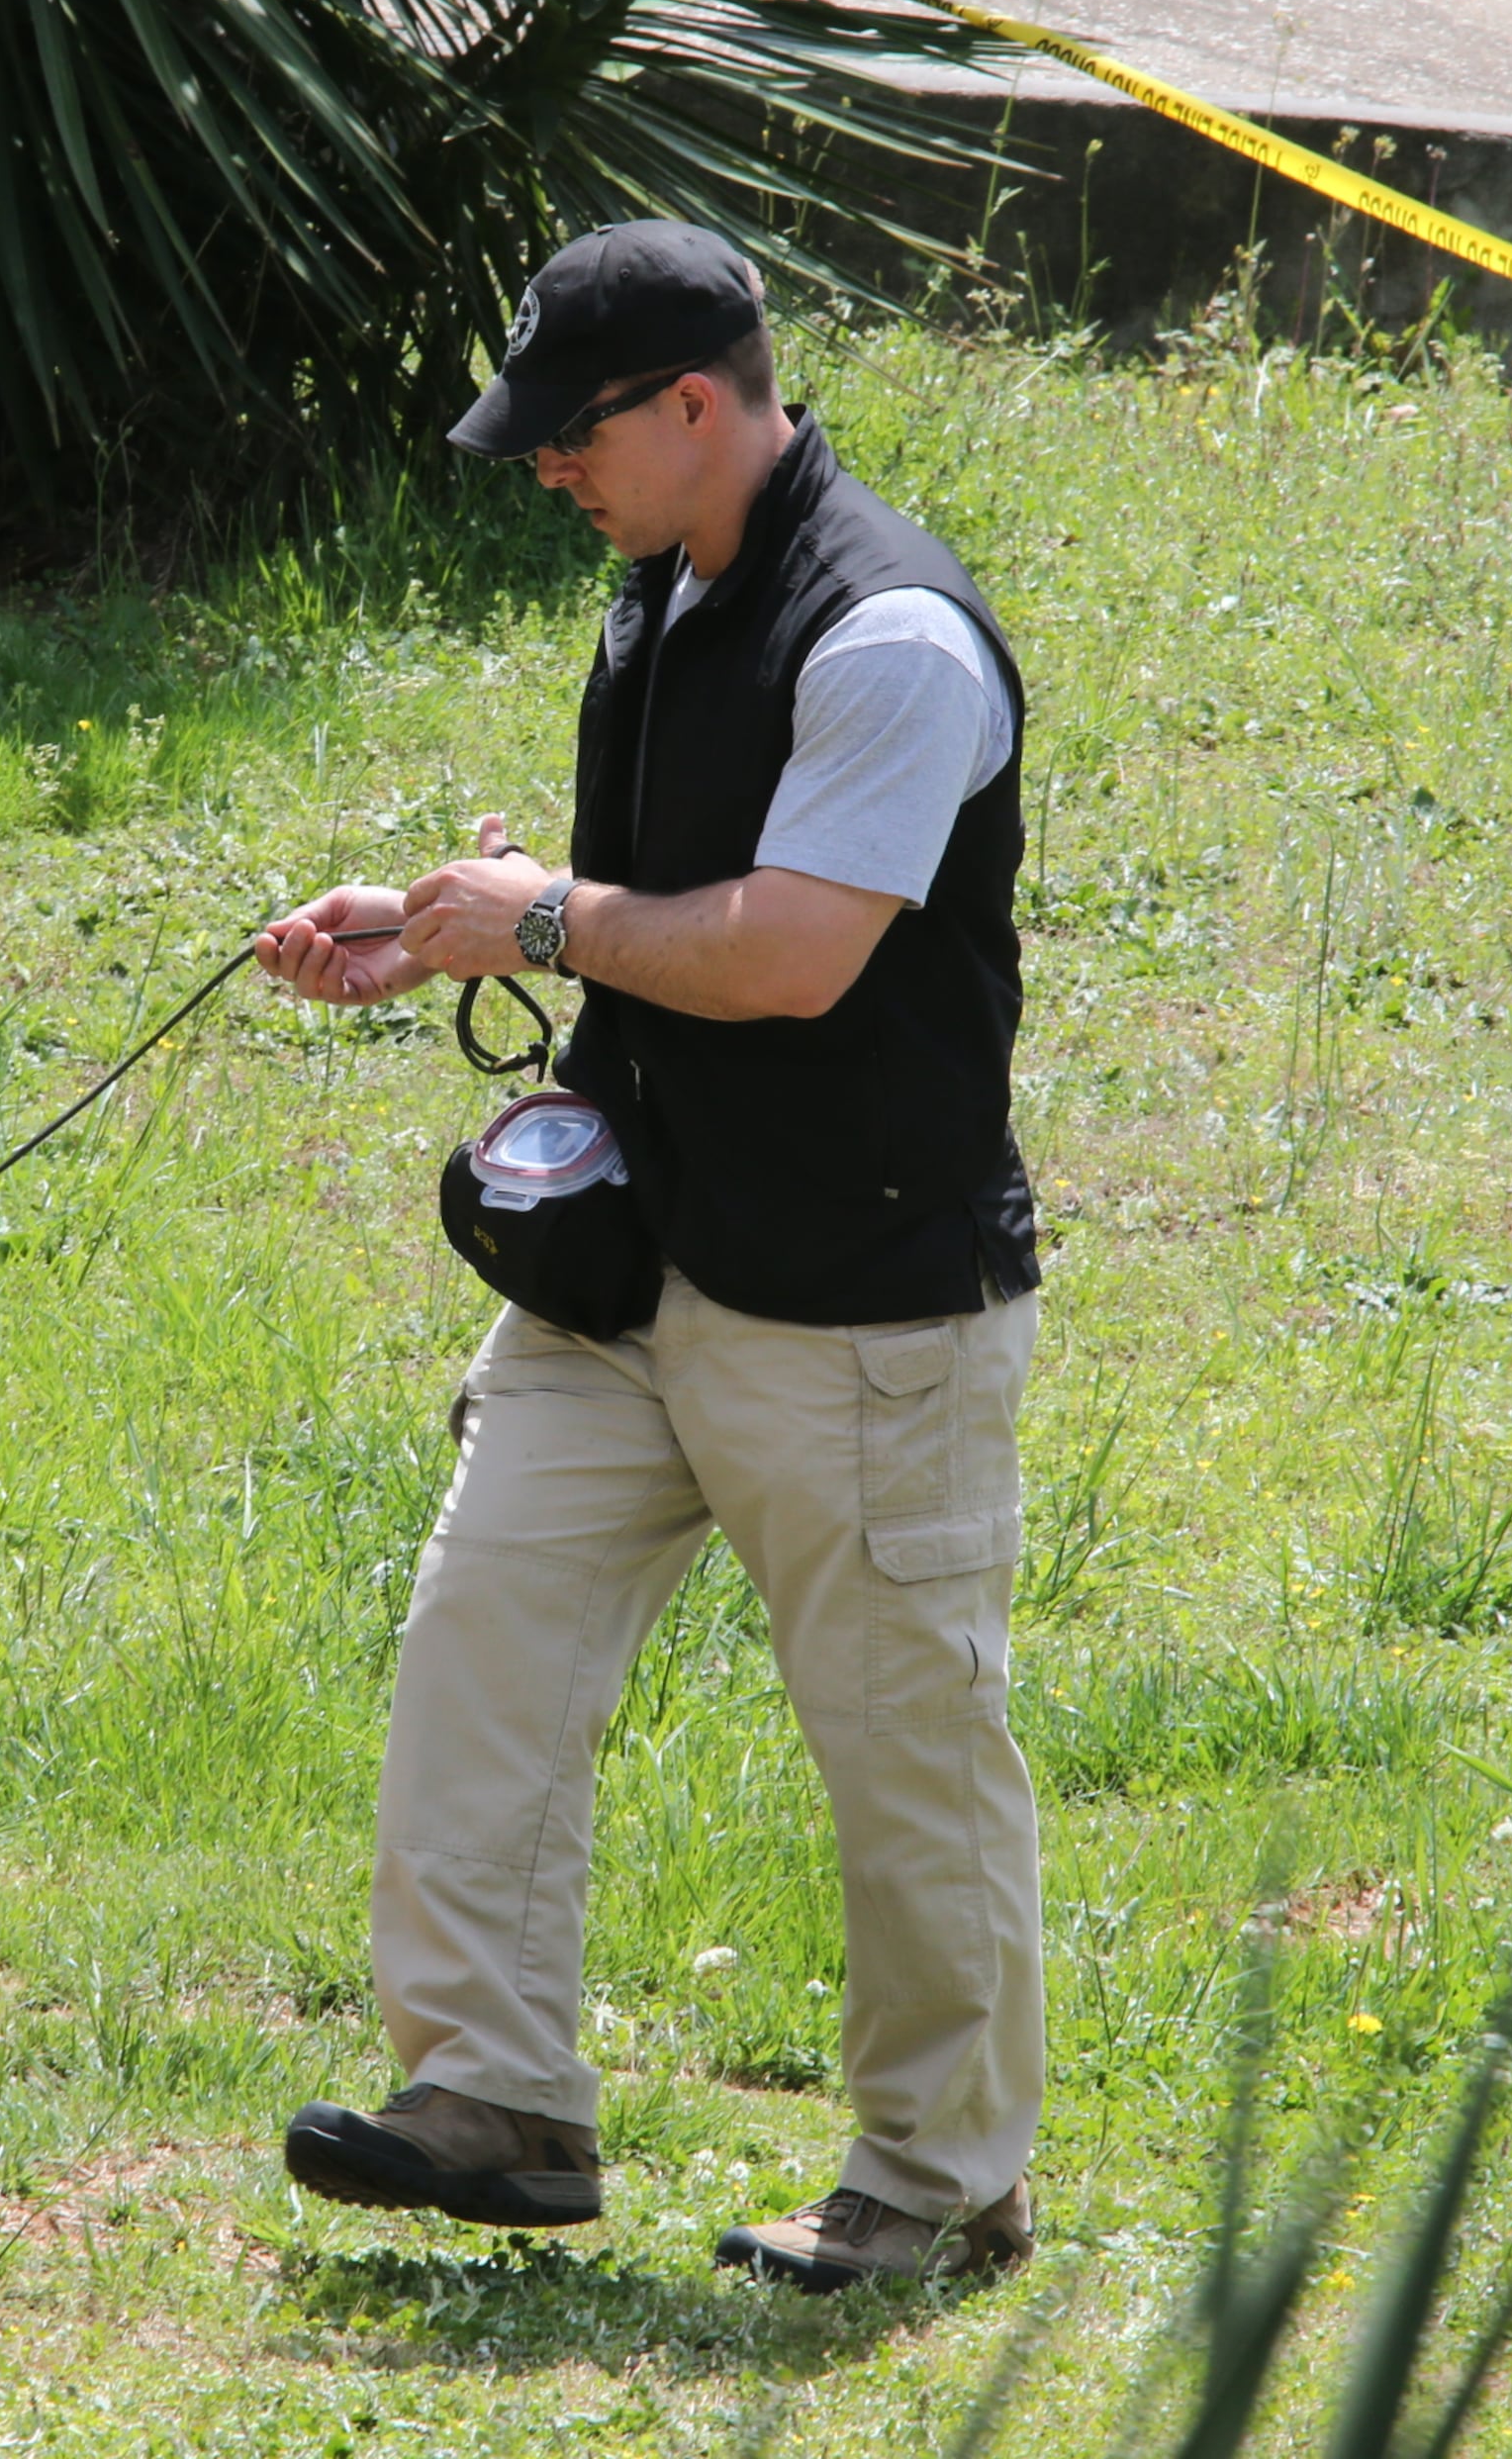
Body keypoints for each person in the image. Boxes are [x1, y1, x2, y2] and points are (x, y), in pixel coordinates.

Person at [252, 220, 1046, 2294]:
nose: (543, 472)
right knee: (481, 1634)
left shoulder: (891, 636)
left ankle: (942, 2173)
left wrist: (535, 919)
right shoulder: (668, 584)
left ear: (700, 402)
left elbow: (786, 953)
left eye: (568, 436)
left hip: (861, 1301)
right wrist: (437, 915)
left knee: (904, 1743)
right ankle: (498, 2099)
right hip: (635, 1275)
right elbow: (648, 884)